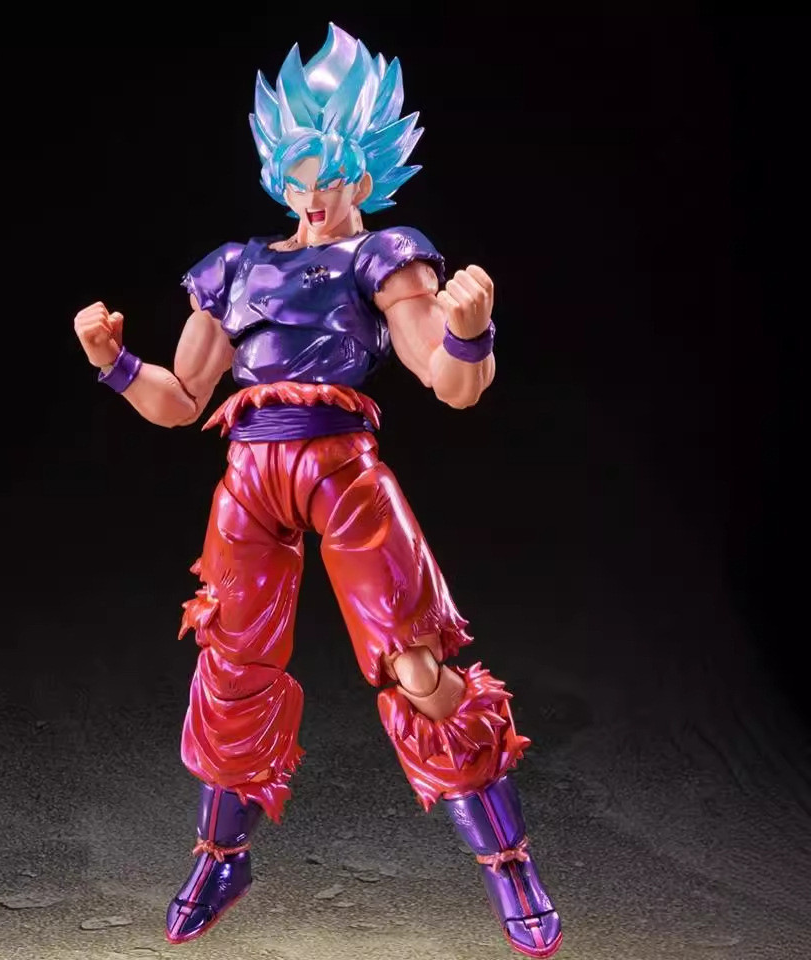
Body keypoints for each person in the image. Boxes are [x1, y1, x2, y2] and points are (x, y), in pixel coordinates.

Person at [73, 23, 562, 958]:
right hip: (250, 478)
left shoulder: (385, 258)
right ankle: (221, 857)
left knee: (418, 668)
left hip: (343, 474)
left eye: (332, 176)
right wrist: (114, 361)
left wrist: (471, 331)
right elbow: (180, 402)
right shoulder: (235, 266)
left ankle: (510, 866)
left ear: (364, 174)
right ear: (277, 173)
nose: (315, 196)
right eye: (298, 176)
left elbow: (452, 385)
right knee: (230, 669)